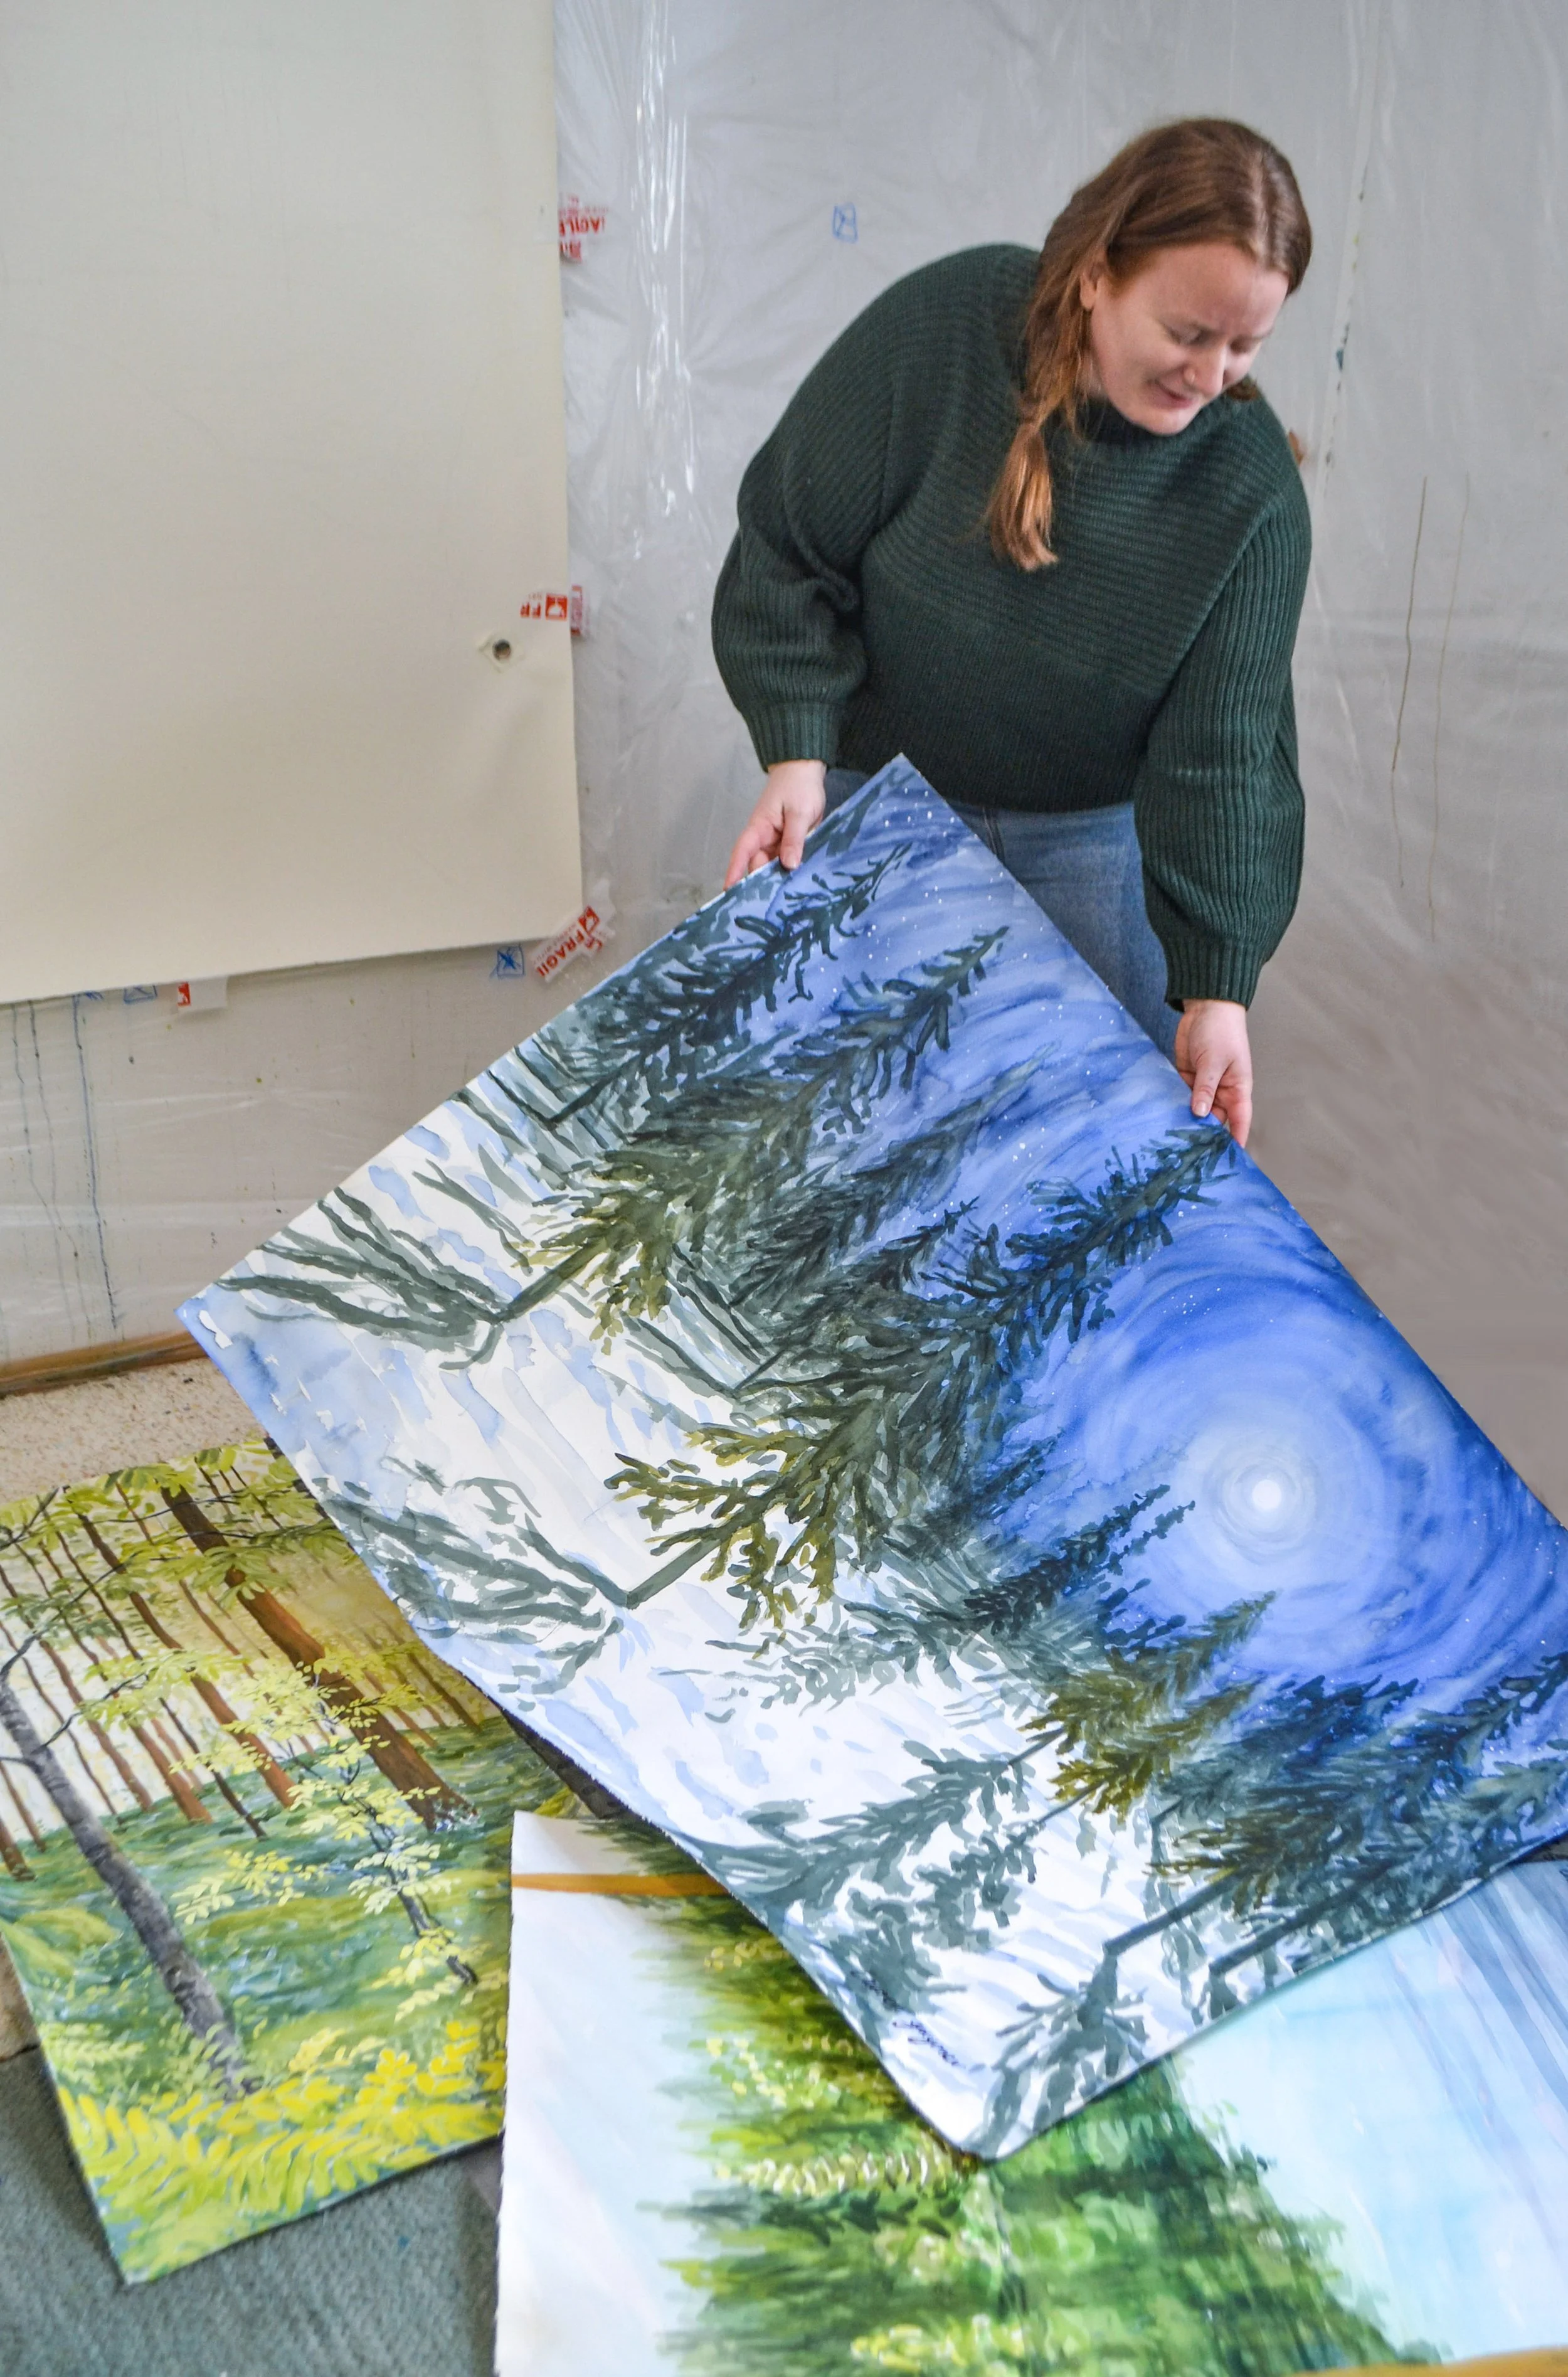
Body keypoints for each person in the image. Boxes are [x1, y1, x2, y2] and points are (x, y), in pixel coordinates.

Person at [712, 117, 1313, 1147]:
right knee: (840, 1144)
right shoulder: (942, 334)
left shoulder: (1250, 491)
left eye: (1245, 345)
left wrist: (1218, 989)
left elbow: (1225, 759)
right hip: (872, 804)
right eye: (1186, 333)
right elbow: (789, 544)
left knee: (1069, 1167)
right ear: (1095, 277)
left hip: (1089, 847)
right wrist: (796, 749)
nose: (1211, 375)